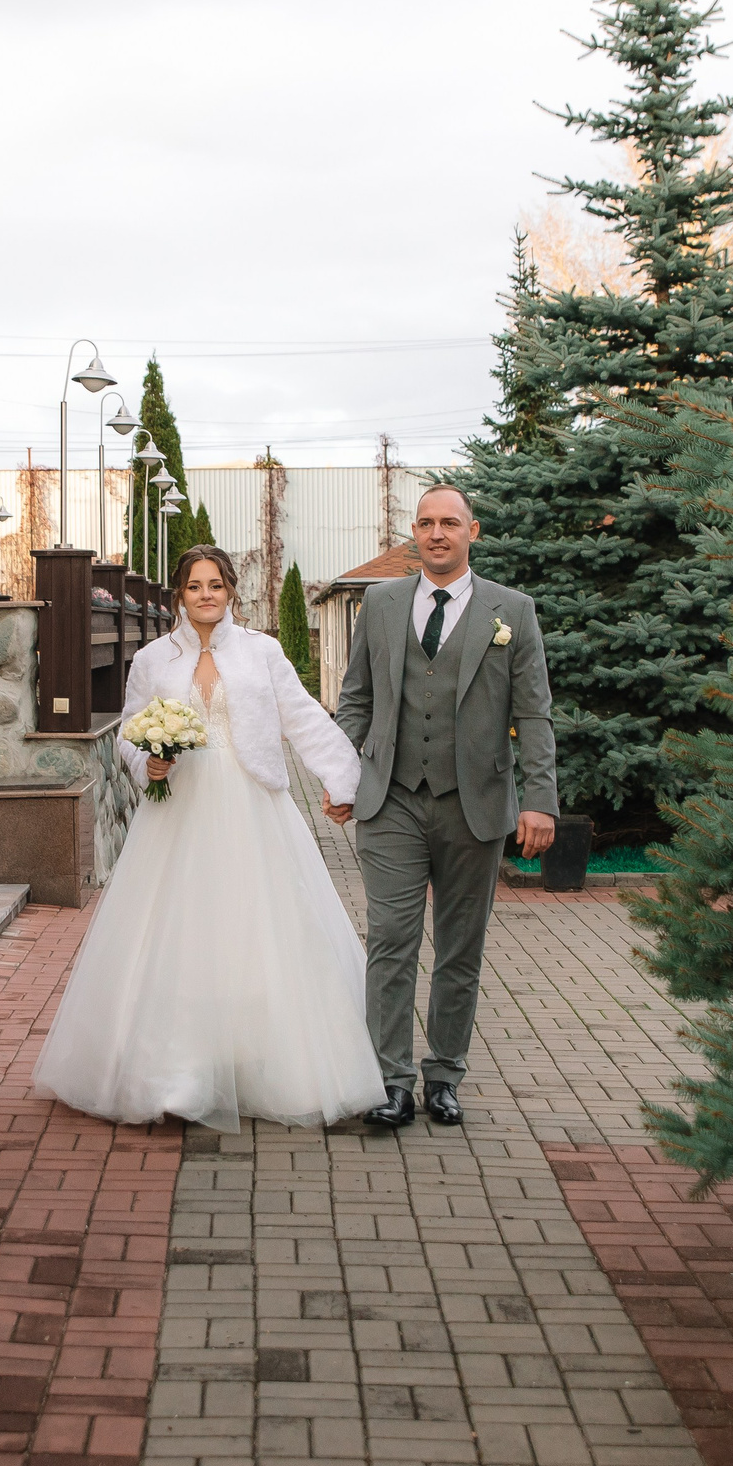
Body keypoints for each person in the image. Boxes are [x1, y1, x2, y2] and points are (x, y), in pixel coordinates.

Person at [32, 545, 385, 1131]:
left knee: (256, 929)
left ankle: (258, 1062)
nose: (205, 595)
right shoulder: (151, 659)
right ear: (179, 595)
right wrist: (147, 763)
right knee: (182, 931)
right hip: (180, 809)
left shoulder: (262, 652)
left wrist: (342, 779)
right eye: (194, 586)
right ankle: (178, 1071)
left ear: (231, 593)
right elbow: (127, 731)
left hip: (253, 805)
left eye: (216, 585)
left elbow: (301, 717)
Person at [329, 482, 557, 1128]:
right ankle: (390, 1079)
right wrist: (342, 774)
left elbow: (534, 714)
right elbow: (356, 699)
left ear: (472, 531)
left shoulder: (513, 611)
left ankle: (445, 1074)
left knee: (461, 947)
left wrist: (539, 800)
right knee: (392, 938)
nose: (436, 533)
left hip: (475, 804)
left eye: (449, 523)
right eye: (426, 522)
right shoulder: (379, 603)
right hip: (392, 798)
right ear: (415, 533)